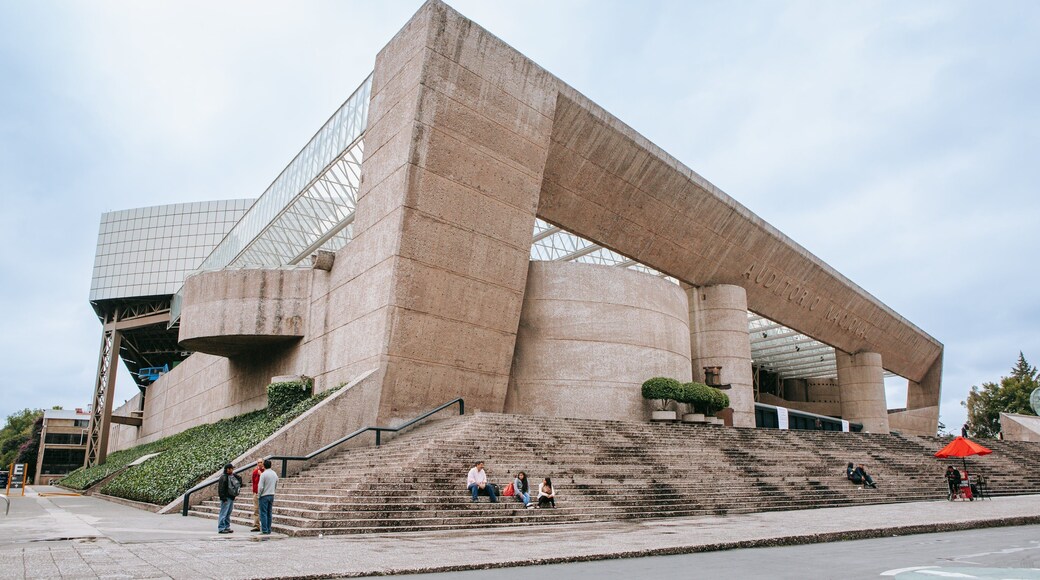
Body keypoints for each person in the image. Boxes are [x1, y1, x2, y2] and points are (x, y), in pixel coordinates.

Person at [217, 463, 242, 534]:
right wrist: (223, 498)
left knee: (228, 513)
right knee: (223, 513)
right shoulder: (223, 477)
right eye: (231, 469)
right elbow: (221, 489)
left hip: (231, 497)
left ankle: (227, 527)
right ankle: (221, 528)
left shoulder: (231, 476)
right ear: (228, 469)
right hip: (226, 498)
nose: (233, 470)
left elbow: (240, 479)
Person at [257, 459, 278, 535]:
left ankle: (264, 529)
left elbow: (260, 487)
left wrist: (259, 495)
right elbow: (276, 483)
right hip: (271, 494)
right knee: (269, 513)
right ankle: (269, 529)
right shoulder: (274, 474)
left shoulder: (263, 474)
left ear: (264, 465)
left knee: (263, 513)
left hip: (264, 495)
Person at [250, 459, 265, 532]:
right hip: (256, 492)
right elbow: (254, 482)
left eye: (261, 462)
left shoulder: (265, 472)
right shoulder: (255, 472)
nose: (259, 464)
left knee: (263, 510)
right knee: (256, 510)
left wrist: (261, 474)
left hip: (263, 493)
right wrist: (254, 492)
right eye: (258, 462)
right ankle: (256, 525)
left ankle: (264, 526)